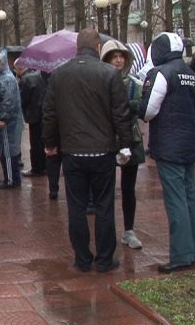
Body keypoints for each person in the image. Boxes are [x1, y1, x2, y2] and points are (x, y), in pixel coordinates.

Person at [43, 28, 132, 273]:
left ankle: (82, 259)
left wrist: (50, 143)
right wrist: (125, 145)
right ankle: (105, 259)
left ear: (77, 46)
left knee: (76, 207)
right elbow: (120, 114)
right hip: (103, 152)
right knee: (104, 206)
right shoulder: (109, 74)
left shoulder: (60, 75)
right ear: (97, 47)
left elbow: (49, 114)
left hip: (72, 152)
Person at [139, 32, 195, 273]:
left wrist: (136, 102)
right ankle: (192, 250)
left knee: (175, 198)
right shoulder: (191, 74)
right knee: (188, 197)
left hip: (169, 144)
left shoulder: (161, 73)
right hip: (188, 143)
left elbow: (148, 111)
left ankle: (181, 255)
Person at [101, 39, 145, 250]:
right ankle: (107, 231)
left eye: (121, 56)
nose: (118, 60)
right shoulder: (100, 82)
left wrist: (124, 103)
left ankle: (129, 230)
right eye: (114, 56)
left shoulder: (134, 83)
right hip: (106, 139)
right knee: (105, 187)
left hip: (130, 138)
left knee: (129, 188)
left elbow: (141, 106)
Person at [0, 49, 24, 189]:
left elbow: (9, 101)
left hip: (6, 124)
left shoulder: (6, 79)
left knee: (8, 151)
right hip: (2, 122)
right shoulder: (1, 77)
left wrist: (3, 118)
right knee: (5, 150)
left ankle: (11, 180)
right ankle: (10, 177)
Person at [15, 62, 47, 178]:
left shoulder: (25, 80)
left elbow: (22, 99)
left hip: (33, 114)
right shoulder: (39, 76)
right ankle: (43, 166)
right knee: (41, 141)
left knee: (35, 143)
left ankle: (36, 168)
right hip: (42, 113)